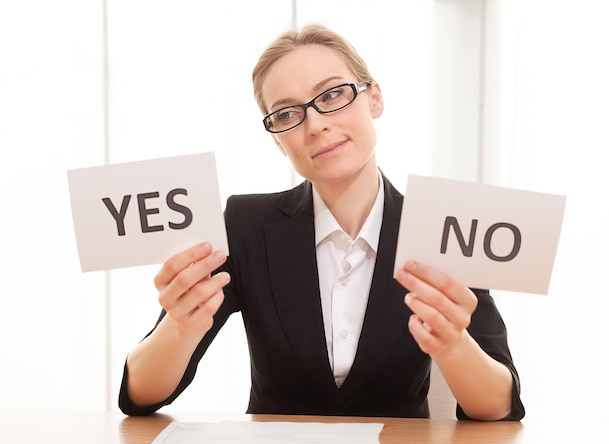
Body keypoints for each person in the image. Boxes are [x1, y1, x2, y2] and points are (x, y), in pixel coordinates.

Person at [119, 24, 525, 421]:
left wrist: (453, 343)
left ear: (375, 99)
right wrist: (180, 325)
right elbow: (141, 396)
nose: (316, 125)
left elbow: (498, 407)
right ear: (278, 139)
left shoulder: (442, 226)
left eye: (331, 95)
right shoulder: (245, 225)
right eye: (287, 114)